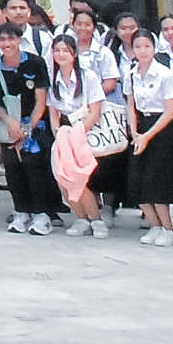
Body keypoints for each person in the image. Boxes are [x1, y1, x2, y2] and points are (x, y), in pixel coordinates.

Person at [0, 23, 56, 237]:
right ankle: (21, 211)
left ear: (19, 39)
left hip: (35, 126)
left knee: (35, 167)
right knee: (13, 170)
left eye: (11, 39)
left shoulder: (35, 63)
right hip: (9, 126)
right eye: (2, 40)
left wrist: (26, 131)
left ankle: (42, 214)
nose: (6, 44)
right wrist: (11, 125)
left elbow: (41, 100)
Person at [124, 29, 173, 246]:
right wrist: (134, 132)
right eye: (138, 46)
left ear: (154, 48)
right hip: (140, 127)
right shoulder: (130, 74)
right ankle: (155, 225)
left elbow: (170, 111)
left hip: (162, 129)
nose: (142, 51)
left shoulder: (164, 73)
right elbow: (130, 106)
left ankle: (169, 228)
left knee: (159, 181)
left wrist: (148, 135)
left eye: (147, 46)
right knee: (138, 180)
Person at [46, 34, 109, 237]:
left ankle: (96, 219)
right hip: (63, 133)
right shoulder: (53, 79)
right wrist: (58, 132)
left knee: (79, 178)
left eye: (65, 50)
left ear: (74, 54)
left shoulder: (88, 77)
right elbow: (53, 111)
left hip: (83, 132)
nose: (61, 54)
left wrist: (78, 133)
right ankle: (80, 217)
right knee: (62, 178)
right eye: (57, 50)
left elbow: (95, 110)